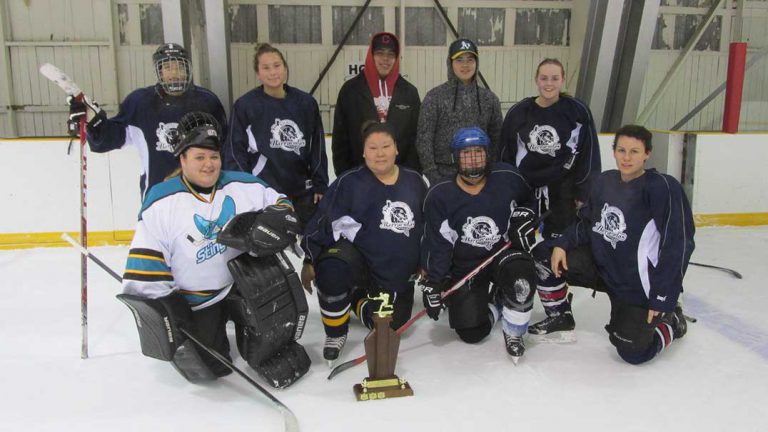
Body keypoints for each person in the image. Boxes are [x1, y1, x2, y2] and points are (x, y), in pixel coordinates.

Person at [117, 112, 311, 388]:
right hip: (197, 298)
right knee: (214, 367)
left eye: (214, 156)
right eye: (199, 157)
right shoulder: (161, 203)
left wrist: (276, 220)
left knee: (273, 327)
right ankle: (209, 328)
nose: (209, 164)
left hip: (244, 284)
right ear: (182, 159)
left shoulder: (243, 185)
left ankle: (255, 334)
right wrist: (171, 309)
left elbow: (281, 204)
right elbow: (146, 267)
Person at [534, 125, 694, 364]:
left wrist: (663, 297)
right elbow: (587, 223)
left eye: (634, 151)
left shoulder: (662, 187)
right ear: (614, 151)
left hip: (635, 284)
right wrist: (562, 243)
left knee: (634, 352)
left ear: (647, 154)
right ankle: (560, 316)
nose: (627, 157)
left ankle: (672, 321)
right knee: (543, 254)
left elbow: (678, 244)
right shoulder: (604, 181)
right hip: (603, 269)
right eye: (621, 150)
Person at [301, 122, 427, 365]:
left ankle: (356, 299)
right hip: (359, 262)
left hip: (395, 273)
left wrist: (425, 261)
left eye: (385, 146)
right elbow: (324, 221)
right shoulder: (350, 183)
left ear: (396, 149)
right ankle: (336, 333)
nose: (380, 153)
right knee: (331, 269)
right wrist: (309, 258)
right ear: (363, 152)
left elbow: (426, 226)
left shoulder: (414, 181)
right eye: (372, 147)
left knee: (393, 326)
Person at [498, 58, 600, 339]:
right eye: (544, 78)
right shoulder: (520, 112)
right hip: (526, 191)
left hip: (562, 193)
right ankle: (516, 295)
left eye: (555, 78)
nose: (549, 83)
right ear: (536, 79)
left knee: (554, 250)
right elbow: (505, 154)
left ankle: (559, 311)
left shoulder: (577, 111)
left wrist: (583, 194)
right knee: (522, 247)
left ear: (562, 80)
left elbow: (589, 155)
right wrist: (506, 190)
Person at [420, 127, 537, 363]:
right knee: (472, 332)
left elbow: (530, 203)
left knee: (521, 282)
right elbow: (439, 244)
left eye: (478, 153)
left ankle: (514, 333)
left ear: (488, 154)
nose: (473, 160)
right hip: (467, 267)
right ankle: (497, 303)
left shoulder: (509, 177)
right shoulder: (440, 195)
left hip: (504, 256)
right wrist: (434, 282)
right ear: (455, 158)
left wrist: (525, 218)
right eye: (466, 154)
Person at [70, 43, 227, 200]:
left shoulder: (207, 101)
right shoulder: (140, 102)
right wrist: (93, 121)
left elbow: (224, 149)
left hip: (202, 196)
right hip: (157, 198)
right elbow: (107, 139)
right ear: (159, 72)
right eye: (168, 67)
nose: (174, 72)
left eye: (180, 67)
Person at [225, 43, 328, 227]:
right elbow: (235, 151)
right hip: (266, 193)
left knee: (305, 245)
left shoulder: (305, 103)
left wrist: (320, 184)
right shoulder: (246, 106)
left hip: (302, 192)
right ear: (258, 73)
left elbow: (317, 146)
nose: (273, 72)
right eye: (266, 68)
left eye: (277, 65)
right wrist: (244, 188)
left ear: (285, 68)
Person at [332, 32, 421, 176]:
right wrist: (346, 177)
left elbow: (416, 138)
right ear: (371, 55)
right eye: (380, 53)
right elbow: (340, 141)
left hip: (399, 179)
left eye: (391, 54)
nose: (385, 59)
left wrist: (409, 176)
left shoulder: (409, 92)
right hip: (359, 177)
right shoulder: (350, 90)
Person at [416, 38, 502, 185]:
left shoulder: (489, 99)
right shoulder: (434, 97)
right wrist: (432, 174)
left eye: (470, 59)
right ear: (450, 63)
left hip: (479, 176)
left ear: (476, 63)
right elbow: (424, 138)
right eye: (459, 60)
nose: (465, 65)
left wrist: (490, 170)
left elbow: (497, 137)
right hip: (444, 175)